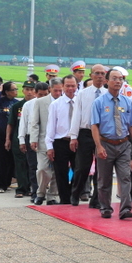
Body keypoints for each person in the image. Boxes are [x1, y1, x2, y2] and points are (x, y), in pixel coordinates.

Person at [90, 68, 132, 220]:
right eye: (115, 78)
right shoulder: (99, 102)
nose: (118, 81)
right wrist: (99, 146)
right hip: (106, 143)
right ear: (106, 81)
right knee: (104, 179)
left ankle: (125, 209)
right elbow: (94, 125)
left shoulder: (127, 102)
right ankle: (105, 207)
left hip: (124, 144)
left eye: (120, 79)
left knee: (125, 177)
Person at [69, 64, 107, 206]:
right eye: (96, 73)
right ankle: (75, 194)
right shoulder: (83, 94)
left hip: (102, 134)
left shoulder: (107, 94)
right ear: (91, 75)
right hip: (85, 133)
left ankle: (96, 199)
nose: (99, 76)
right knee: (82, 167)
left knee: (101, 169)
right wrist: (73, 136)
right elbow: (76, 115)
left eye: (102, 73)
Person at [46, 75, 79, 205]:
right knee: (61, 173)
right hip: (61, 141)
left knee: (80, 171)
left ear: (77, 86)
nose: (70, 88)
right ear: (63, 87)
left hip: (77, 141)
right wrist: (49, 146)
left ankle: (74, 194)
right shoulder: (56, 104)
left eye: (73, 86)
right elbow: (51, 126)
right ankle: (65, 200)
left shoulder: (80, 103)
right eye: (68, 86)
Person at [29, 79, 60, 205]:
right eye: (55, 90)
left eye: (60, 90)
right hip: (43, 140)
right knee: (42, 169)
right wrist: (33, 139)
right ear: (50, 89)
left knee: (58, 170)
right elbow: (35, 122)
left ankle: (52, 195)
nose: (58, 93)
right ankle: (40, 193)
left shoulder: (65, 101)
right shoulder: (41, 102)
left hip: (59, 140)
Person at [8, 82, 36, 199]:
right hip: (18, 138)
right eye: (27, 89)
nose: (29, 92)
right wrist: (7, 139)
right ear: (23, 91)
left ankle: (30, 188)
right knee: (20, 165)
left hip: (32, 138)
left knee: (32, 165)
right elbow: (11, 124)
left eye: (31, 89)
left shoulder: (37, 104)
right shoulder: (17, 106)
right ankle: (21, 189)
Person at [0, 81, 18, 193]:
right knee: (0, 158)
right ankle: (1, 184)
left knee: (11, 158)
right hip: (0, 131)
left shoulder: (16, 103)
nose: (16, 91)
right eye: (13, 89)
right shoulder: (1, 101)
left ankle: (8, 181)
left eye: (16, 89)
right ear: (7, 92)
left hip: (12, 132)